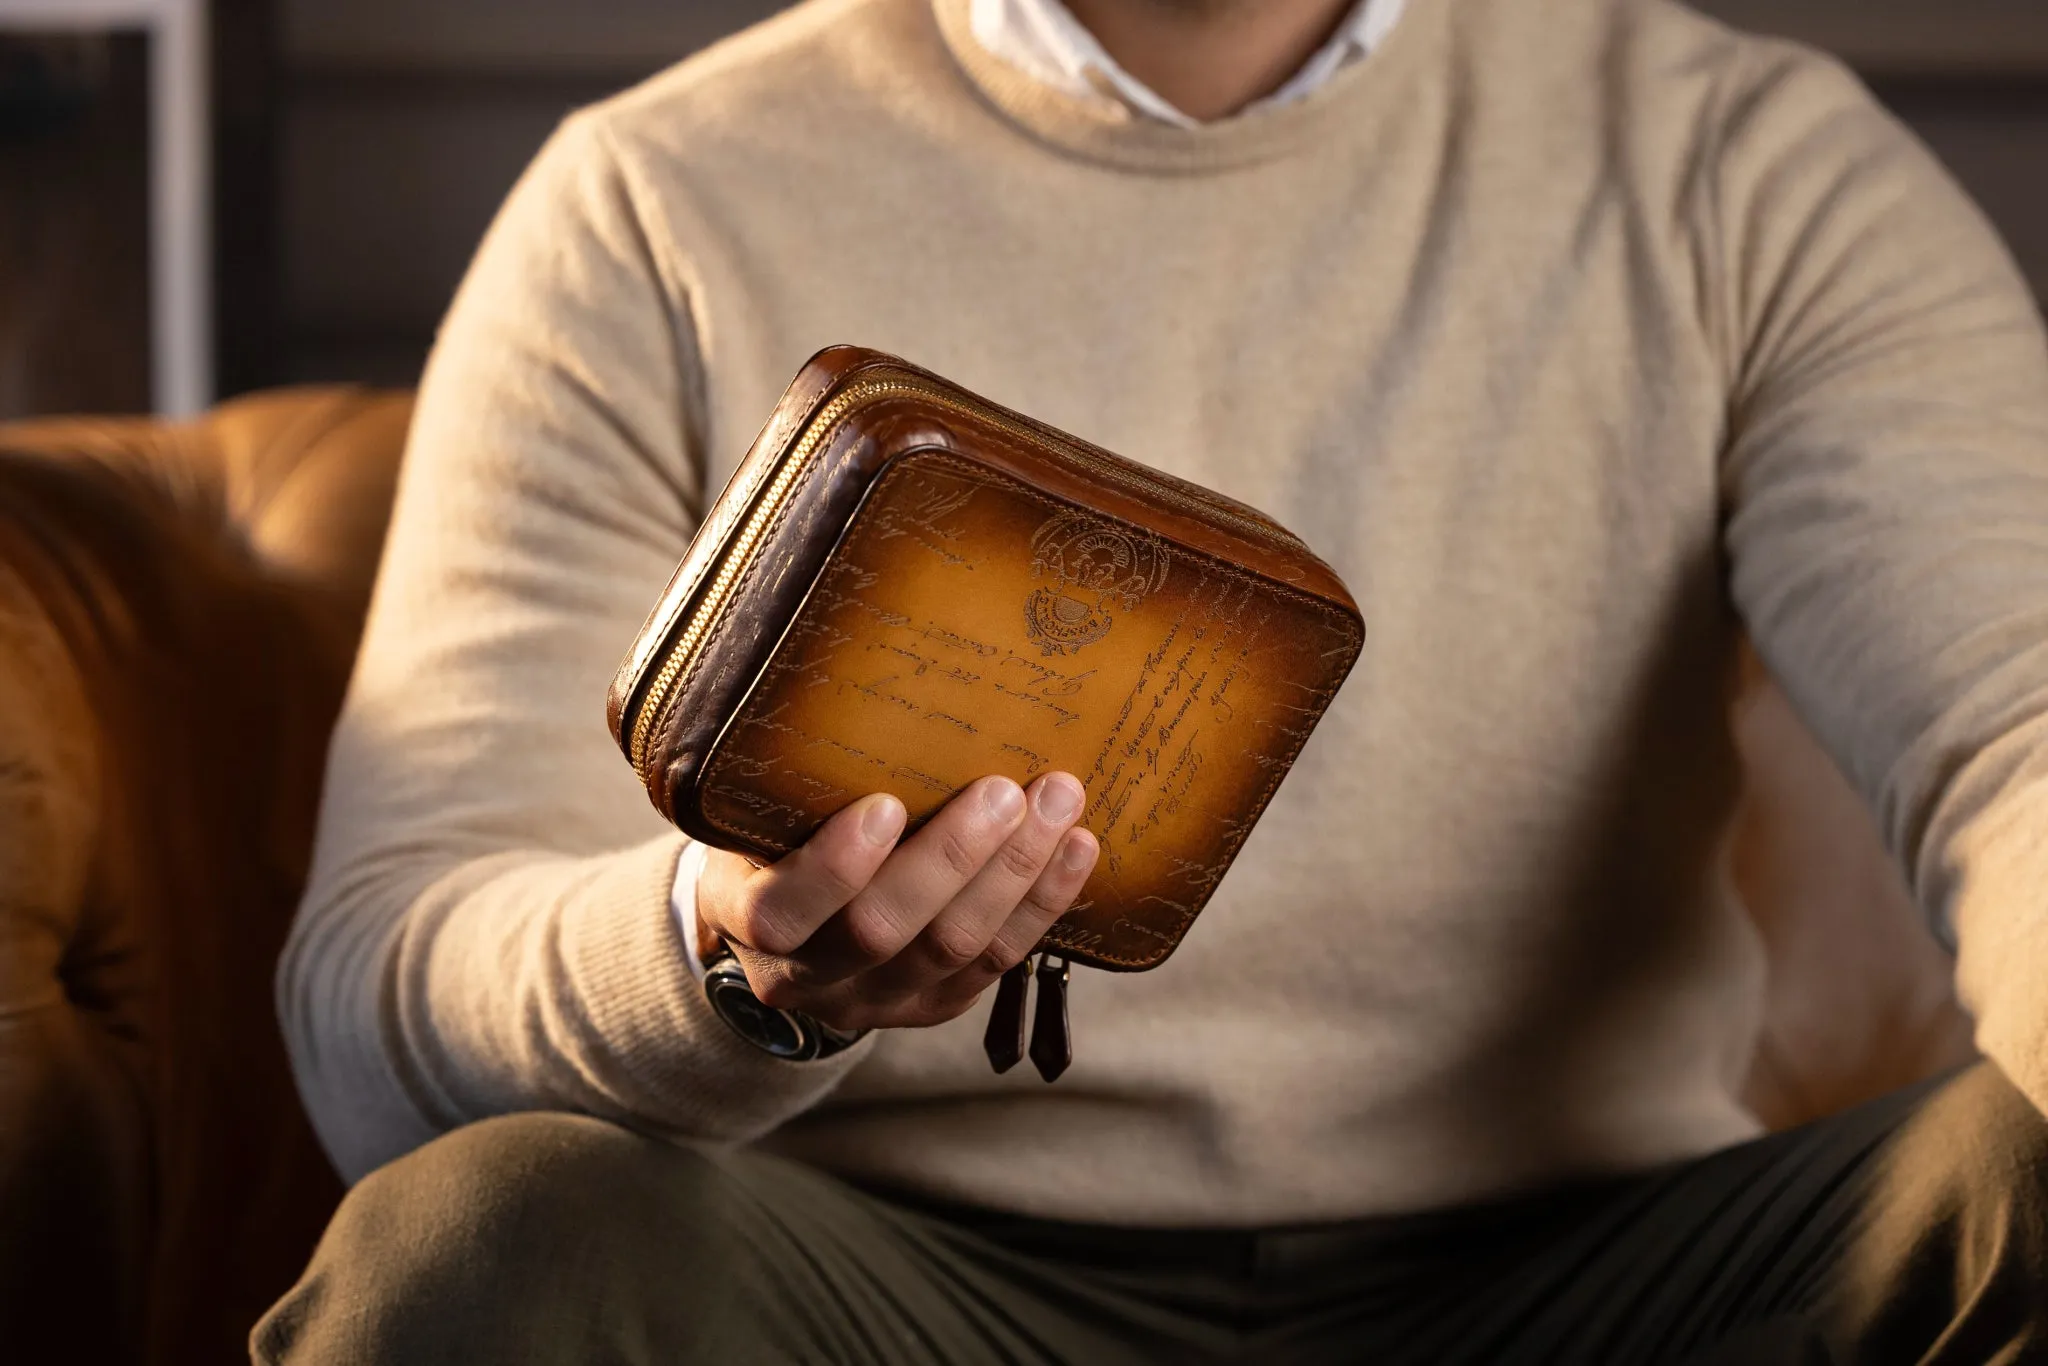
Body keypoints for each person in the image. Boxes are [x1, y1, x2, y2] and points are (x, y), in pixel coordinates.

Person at [254, 0, 2048, 1361]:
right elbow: (377, 990)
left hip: (1607, 1275)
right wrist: (728, 966)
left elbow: (2018, 730)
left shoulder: (1744, 166)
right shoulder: (654, 202)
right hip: (879, 1281)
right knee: (479, 1246)